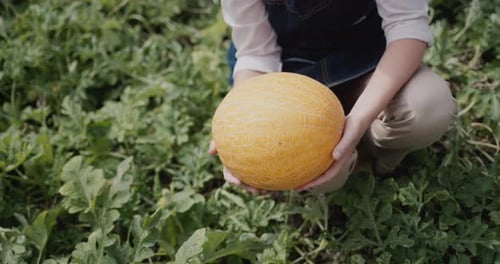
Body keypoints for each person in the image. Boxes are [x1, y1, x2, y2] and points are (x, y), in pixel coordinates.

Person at [209, 0, 458, 193]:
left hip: (371, 64)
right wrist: (238, 128)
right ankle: (345, 165)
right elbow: (256, 54)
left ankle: (374, 159)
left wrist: (359, 120)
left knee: (428, 107)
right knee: (319, 177)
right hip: (293, 83)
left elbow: (407, 27)